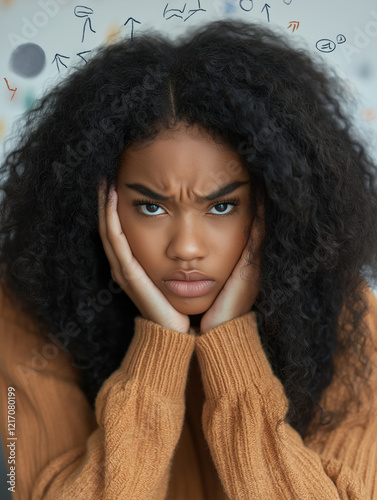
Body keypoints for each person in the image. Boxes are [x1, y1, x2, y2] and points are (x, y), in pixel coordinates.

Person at [1, 17, 377, 500]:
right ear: (92, 207)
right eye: (151, 206)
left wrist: (230, 347)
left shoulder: (352, 321)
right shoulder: (25, 315)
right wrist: (160, 352)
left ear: (276, 205)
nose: (187, 248)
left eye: (222, 206)